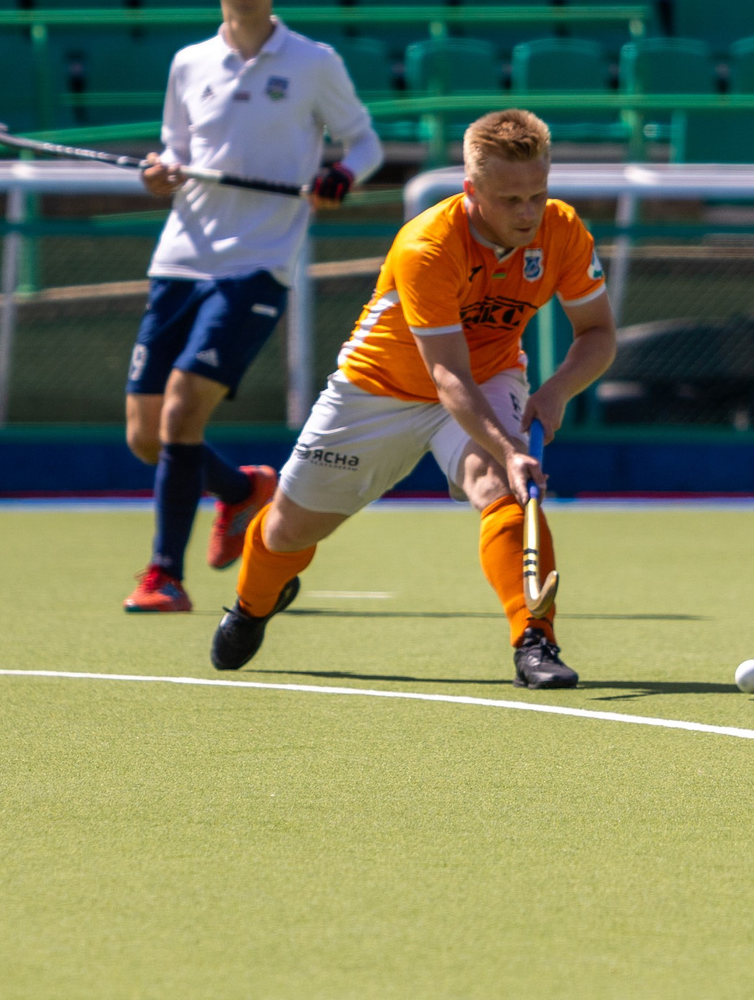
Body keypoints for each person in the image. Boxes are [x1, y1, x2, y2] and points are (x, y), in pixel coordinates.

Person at [210, 109, 619, 688]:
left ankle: (535, 641)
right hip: (379, 387)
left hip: (491, 375)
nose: (528, 213)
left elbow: (598, 335)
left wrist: (554, 392)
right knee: (288, 532)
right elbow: (446, 378)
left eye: (538, 194)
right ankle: (252, 605)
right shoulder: (429, 245)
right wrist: (510, 445)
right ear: (471, 190)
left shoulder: (562, 229)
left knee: (502, 489)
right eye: (510, 200)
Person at [121, 0, 382, 614]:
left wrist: (341, 175)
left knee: (180, 410)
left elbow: (365, 141)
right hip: (179, 258)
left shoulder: (312, 62)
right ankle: (240, 491)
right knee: (145, 434)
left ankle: (162, 574)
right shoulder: (188, 63)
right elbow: (174, 153)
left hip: (258, 263)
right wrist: (159, 174)